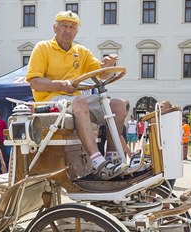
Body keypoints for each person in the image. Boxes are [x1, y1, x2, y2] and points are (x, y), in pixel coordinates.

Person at [26, 10, 129, 180]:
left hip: (73, 99)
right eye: (64, 26)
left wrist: (109, 64)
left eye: (72, 27)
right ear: (55, 28)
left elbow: (100, 72)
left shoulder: (81, 51)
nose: (68, 30)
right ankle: (97, 161)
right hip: (49, 100)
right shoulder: (43, 48)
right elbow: (34, 82)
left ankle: (112, 157)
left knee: (118, 105)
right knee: (80, 101)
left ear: (77, 31)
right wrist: (60, 85)